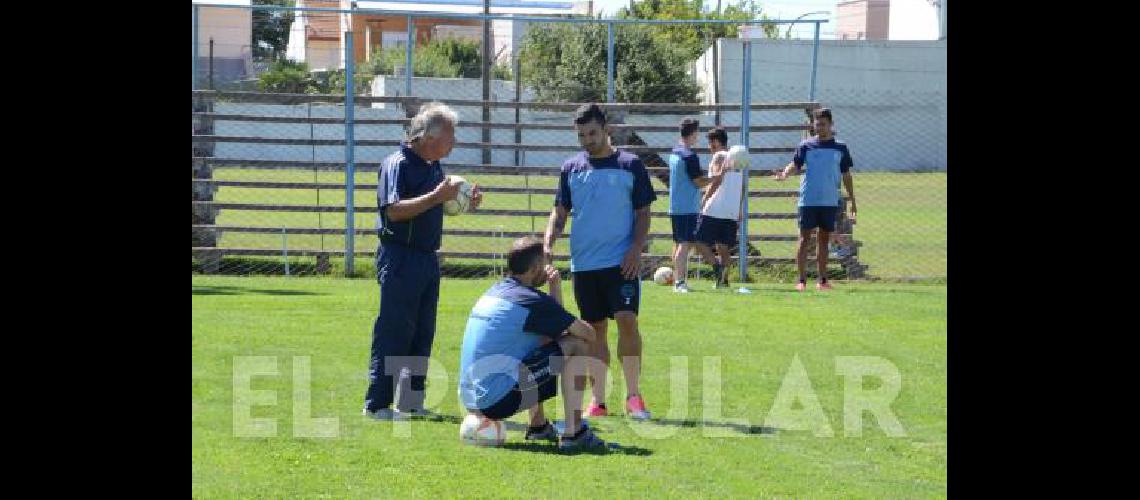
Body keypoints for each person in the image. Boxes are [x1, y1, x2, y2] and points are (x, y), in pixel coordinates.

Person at [362, 102, 483, 420]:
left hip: (427, 259)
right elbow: (394, 209)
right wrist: (436, 197)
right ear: (429, 137)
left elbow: (435, 205)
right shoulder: (397, 163)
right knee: (394, 331)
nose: (454, 143)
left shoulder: (433, 166)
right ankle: (377, 404)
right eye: (450, 137)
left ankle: (411, 401)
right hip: (400, 256)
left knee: (422, 332)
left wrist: (465, 203)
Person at [542, 103, 656, 421]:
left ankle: (634, 396)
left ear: (606, 129)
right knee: (595, 331)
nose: (587, 140)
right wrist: (549, 240)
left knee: (627, 321)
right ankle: (599, 399)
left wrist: (636, 248)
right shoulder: (571, 168)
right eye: (581, 135)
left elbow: (644, 212)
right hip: (584, 264)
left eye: (592, 133)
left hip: (621, 262)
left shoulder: (630, 164)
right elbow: (560, 211)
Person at [457, 237, 611, 450]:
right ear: (535, 267)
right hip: (495, 400)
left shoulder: (494, 291)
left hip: (471, 398)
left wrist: (554, 291)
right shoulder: (531, 300)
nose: (550, 268)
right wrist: (555, 289)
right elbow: (588, 334)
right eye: (547, 262)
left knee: (538, 343)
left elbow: (551, 333)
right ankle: (574, 432)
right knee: (576, 344)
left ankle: (538, 427)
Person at [775, 108, 857, 291]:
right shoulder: (806, 145)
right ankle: (801, 281)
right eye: (817, 123)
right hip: (808, 199)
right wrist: (784, 174)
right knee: (804, 239)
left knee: (823, 240)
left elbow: (846, 175)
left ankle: (822, 281)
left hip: (829, 201)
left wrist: (852, 199)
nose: (819, 127)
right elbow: (795, 164)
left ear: (831, 125)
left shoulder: (840, 148)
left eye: (823, 124)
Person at [666, 118, 711, 293]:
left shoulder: (674, 152)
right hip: (686, 207)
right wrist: (718, 177)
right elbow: (699, 182)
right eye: (697, 133)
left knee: (681, 244)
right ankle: (679, 283)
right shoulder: (689, 156)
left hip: (676, 206)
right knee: (684, 245)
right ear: (693, 134)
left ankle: (676, 278)